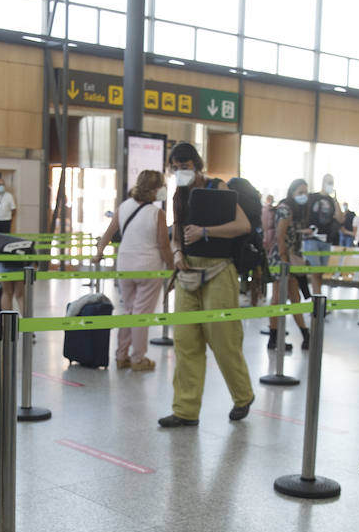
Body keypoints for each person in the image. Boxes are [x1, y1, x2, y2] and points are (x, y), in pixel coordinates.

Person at [159, 143, 255, 427]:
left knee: (224, 339)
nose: (180, 172)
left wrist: (205, 232)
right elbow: (176, 232)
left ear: (196, 165)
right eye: (175, 167)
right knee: (185, 342)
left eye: (185, 166)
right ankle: (185, 410)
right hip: (188, 273)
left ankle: (243, 395)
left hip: (219, 271)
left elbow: (243, 225)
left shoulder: (218, 187)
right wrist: (177, 253)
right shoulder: (179, 194)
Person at [93, 169, 169, 370]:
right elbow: (163, 245)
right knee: (141, 314)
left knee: (128, 311)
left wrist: (99, 252)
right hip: (149, 268)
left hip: (125, 265)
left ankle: (121, 355)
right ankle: (138, 359)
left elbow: (108, 233)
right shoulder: (157, 213)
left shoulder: (124, 207)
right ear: (155, 189)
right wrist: (172, 267)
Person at [266, 179, 311, 351]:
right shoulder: (285, 209)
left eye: (305, 192)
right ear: (292, 192)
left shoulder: (296, 211)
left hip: (290, 260)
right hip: (282, 260)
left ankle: (305, 335)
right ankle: (274, 338)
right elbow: (280, 234)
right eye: (300, 192)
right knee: (278, 299)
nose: (303, 196)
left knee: (294, 298)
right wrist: (284, 260)